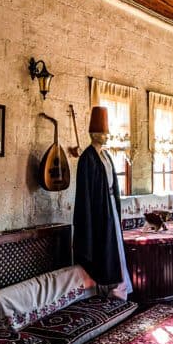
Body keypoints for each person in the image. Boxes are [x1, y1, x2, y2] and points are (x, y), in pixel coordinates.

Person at [73, 106, 132, 300]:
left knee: (114, 245)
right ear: (94, 134)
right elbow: (85, 192)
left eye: (106, 133)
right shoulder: (87, 158)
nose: (106, 136)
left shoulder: (106, 156)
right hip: (96, 211)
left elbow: (112, 183)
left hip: (109, 207)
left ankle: (117, 287)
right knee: (101, 246)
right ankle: (103, 286)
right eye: (103, 133)